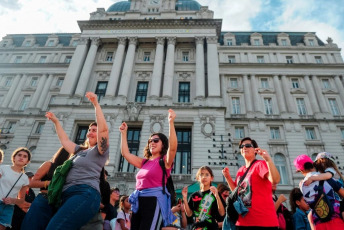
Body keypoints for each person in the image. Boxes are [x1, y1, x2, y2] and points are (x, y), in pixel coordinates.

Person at [44, 91, 109, 230]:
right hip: (66, 194)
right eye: (90, 130)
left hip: (85, 193)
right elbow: (65, 140)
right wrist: (56, 121)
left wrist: (96, 104)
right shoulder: (80, 150)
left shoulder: (99, 151)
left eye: (94, 130)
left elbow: (104, 131)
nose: (91, 132)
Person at [119, 109, 177, 229]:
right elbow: (126, 154)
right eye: (150, 141)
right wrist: (124, 134)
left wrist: (171, 123)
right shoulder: (144, 162)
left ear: (163, 144)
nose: (152, 143)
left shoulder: (164, 162)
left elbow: (173, 149)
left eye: (156, 140)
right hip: (138, 201)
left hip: (154, 201)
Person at [222, 137, 280, 229]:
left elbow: (275, 180)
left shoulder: (260, 164)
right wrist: (228, 177)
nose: (244, 147)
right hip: (242, 222)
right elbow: (237, 193)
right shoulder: (240, 170)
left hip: (264, 222)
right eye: (242, 146)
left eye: (248, 145)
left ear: (255, 150)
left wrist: (268, 160)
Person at [21, 147, 70, 230]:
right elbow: (31, 183)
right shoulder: (49, 165)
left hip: (60, 204)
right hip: (44, 200)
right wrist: (48, 183)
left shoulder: (71, 170)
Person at [293, 154, 344, 229]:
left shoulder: (302, 185)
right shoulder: (326, 177)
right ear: (313, 164)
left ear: (301, 170)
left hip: (318, 222)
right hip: (335, 219)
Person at [303, 152, 344, 219]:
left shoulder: (330, 171)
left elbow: (328, 175)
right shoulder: (323, 175)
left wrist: (312, 178)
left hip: (337, 201)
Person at [0, 147, 31, 230]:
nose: (21, 157)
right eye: (19, 155)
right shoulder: (2, 168)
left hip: (8, 207)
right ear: (14, 158)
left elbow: (21, 200)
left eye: (25, 156)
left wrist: (12, 200)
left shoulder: (25, 178)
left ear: (27, 162)